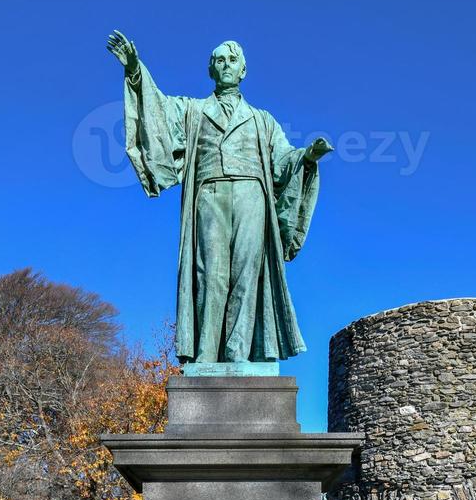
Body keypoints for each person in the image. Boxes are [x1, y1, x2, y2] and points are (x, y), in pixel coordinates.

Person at [107, 30, 332, 366]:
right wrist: (136, 71)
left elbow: (283, 160)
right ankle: (207, 352)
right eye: (219, 61)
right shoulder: (193, 110)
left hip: (251, 194)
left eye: (232, 60)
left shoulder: (262, 120)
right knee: (210, 274)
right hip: (209, 193)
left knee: (246, 272)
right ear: (211, 70)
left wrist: (307, 157)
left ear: (243, 70)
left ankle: (238, 352)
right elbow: (157, 108)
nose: (226, 65)